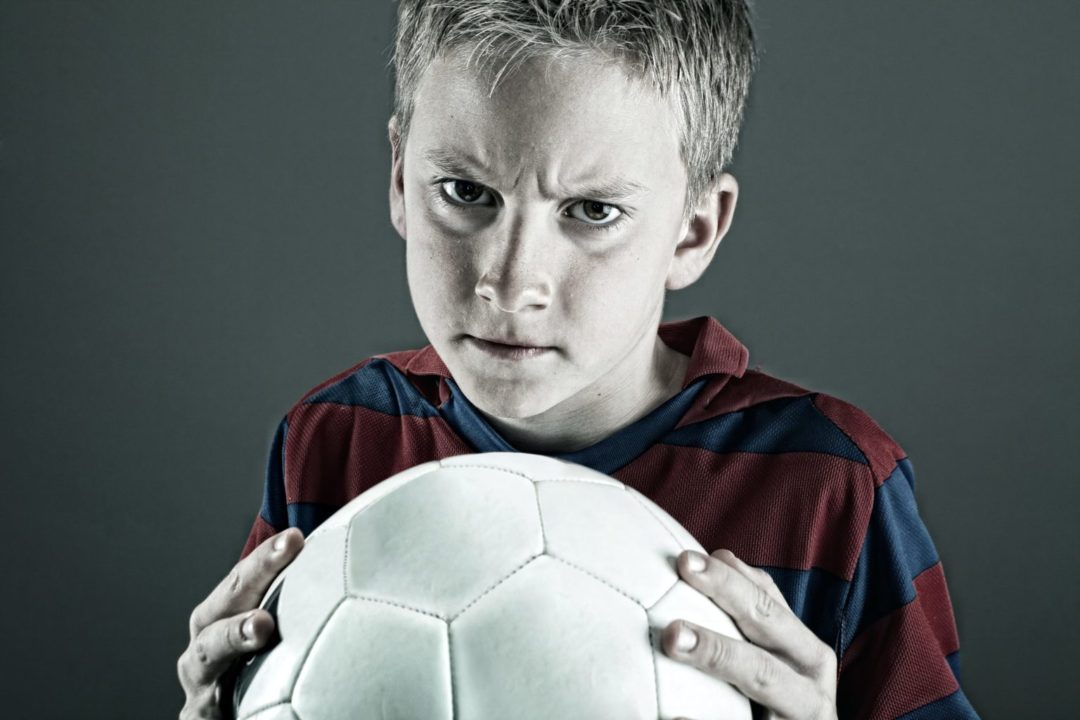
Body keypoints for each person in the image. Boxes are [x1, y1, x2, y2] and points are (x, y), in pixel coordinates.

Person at [177, 1, 979, 718]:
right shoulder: (335, 440)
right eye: (464, 191)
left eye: (592, 211)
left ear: (695, 229)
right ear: (398, 176)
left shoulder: (828, 484)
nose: (509, 280)